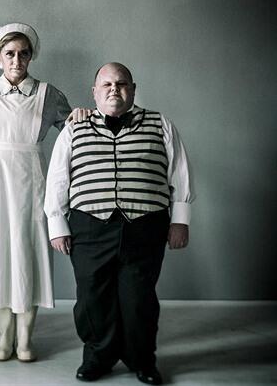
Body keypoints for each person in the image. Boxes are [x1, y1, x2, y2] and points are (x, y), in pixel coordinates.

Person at [44, 62, 193, 384]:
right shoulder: (74, 128)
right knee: (91, 297)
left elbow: (179, 173)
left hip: (146, 224)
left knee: (138, 297)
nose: (115, 89)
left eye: (122, 84)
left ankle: (142, 359)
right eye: (107, 84)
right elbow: (57, 179)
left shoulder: (160, 124)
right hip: (89, 225)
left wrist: (180, 221)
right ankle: (98, 356)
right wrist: (56, 224)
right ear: (95, 92)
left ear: (133, 90)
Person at [0, 23, 72, 362]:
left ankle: (25, 339)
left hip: (30, 181)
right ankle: (4, 337)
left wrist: (82, 118)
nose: (17, 60)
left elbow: (73, 134)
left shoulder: (48, 95)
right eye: (10, 54)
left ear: (31, 56)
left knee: (27, 255)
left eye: (23, 54)